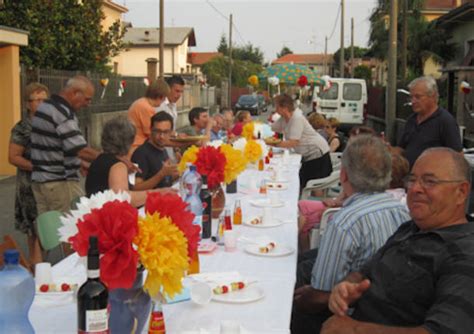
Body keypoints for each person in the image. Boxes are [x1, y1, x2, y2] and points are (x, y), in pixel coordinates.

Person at [324, 147, 474, 334]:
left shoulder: (463, 255)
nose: (415, 189)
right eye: (412, 180)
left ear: (461, 192)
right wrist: (348, 286)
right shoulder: (410, 228)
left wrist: (354, 329)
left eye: (429, 181)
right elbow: (365, 272)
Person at [291, 135, 411, 334]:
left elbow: (321, 294)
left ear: (343, 175)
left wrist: (301, 299)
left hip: (352, 316)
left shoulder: (345, 222)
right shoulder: (403, 212)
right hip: (389, 311)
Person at [297, 150, 410, 253]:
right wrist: (337, 202)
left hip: (342, 219)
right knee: (302, 209)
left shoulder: (383, 196)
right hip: (343, 211)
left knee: (303, 217)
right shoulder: (391, 196)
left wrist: (333, 207)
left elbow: (358, 210)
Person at [31, 76, 100, 215]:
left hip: (41, 181)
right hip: (59, 183)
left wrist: (78, 163)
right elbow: (81, 150)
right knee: (68, 229)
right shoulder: (62, 113)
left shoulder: (45, 106)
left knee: (48, 231)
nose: (88, 104)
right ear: (75, 93)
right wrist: (111, 161)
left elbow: (54, 146)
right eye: (87, 99)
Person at [85, 116, 174, 207]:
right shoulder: (117, 166)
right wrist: (158, 193)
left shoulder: (100, 159)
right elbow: (123, 198)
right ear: (128, 142)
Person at [8, 82, 49, 265]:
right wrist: (37, 166)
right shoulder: (22, 128)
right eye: (36, 100)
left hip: (51, 185)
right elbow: (13, 157)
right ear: (27, 104)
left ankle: (44, 269)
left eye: (44, 100)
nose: (41, 104)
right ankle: (36, 272)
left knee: (48, 230)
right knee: (35, 232)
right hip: (30, 187)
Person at [398, 76, 462, 167]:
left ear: (433, 96)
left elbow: (458, 158)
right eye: (411, 97)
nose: (413, 101)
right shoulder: (411, 120)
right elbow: (402, 149)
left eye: (417, 97)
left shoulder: (445, 121)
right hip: (410, 177)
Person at [271, 94, 332, 189]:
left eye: (277, 106)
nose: (275, 109)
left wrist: (274, 143)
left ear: (284, 108)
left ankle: (315, 202)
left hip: (316, 153)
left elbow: (293, 142)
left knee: (314, 185)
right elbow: (272, 128)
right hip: (307, 154)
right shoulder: (284, 119)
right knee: (302, 181)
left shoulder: (297, 118)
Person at [131, 112, 179, 190]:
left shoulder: (162, 149)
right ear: (151, 130)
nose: (161, 136)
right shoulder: (141, 153)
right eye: (157, 131)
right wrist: (161, 174)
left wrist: (180, 172)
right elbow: (136, 188)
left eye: (166, 132)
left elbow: (164, 182)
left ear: (171, 132)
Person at [128, 79, 170, 150]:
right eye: (165, 98)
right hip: (138, 147)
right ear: (161, 96)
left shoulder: (141, 102)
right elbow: (153, 135)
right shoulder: (146, 108)